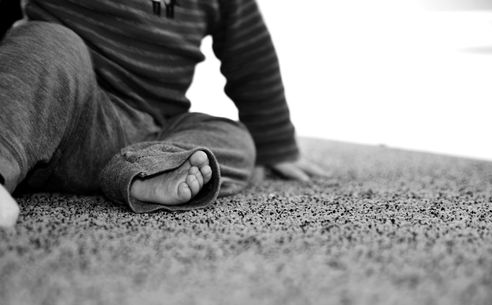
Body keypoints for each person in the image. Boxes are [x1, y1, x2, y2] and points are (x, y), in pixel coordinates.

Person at [0, 0, 326, 228]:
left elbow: (250, 56)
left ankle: (148, 171)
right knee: (48, 42)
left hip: (145, 136)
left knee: (236, 139)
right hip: (58, 112)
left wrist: (274, 140)